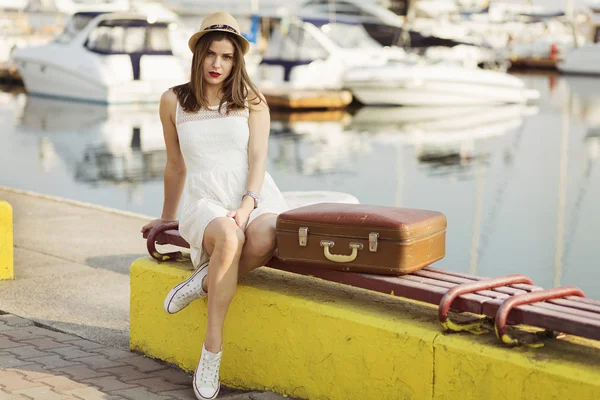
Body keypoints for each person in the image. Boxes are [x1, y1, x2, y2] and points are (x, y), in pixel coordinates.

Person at [141, 11, 288, 400]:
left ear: (237, 60)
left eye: (226, 57)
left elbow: (257, 160)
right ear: (198, 55)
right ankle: (212, 351)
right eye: (211, 55)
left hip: (252, 194)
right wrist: (167, 218)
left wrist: (246, 206)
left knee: (266, 235)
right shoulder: (173, 101)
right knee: (227, 236)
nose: (217, 65)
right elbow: (175, 165)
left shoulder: (252, 101)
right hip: (203, 199)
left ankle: (202, 283)